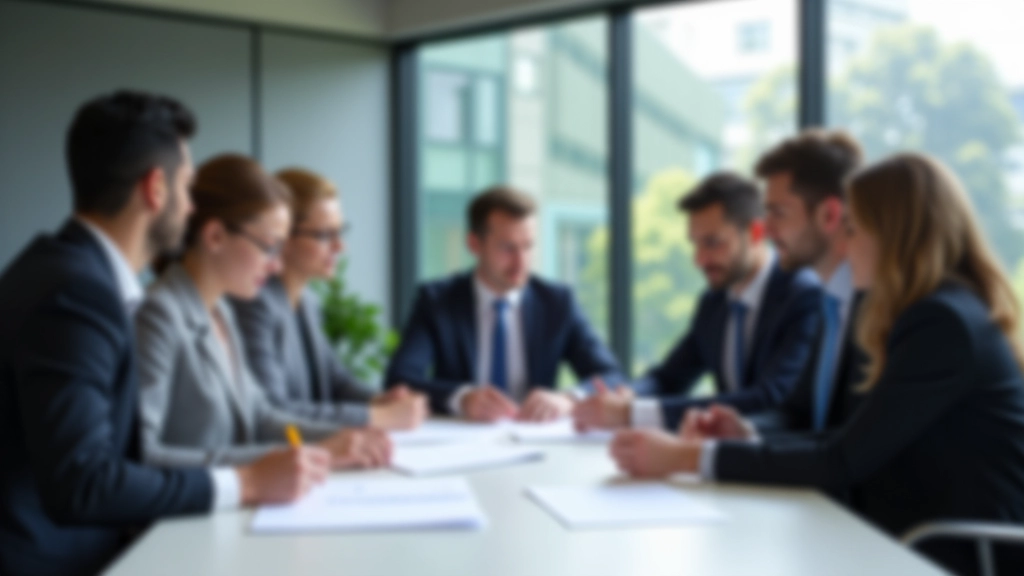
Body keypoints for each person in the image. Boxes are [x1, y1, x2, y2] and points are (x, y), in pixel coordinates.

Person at [610, 153, 1024, 576]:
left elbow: (842, 459)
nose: (843, 245)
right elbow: (850, 437)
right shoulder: (930, 312)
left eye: (854, 229)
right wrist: (745, 437)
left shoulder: (940, 323)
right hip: (903, 537)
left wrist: (688, 457)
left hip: (950, 552)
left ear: (894, 236)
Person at [0, 91, 329, 576]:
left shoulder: (63, 273)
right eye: (187, 187)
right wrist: (247, 483)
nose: (192, 206)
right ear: (156, 188)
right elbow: (82, 482)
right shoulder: (76, 295)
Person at [136, 155, 393, 470]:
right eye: (269, 247)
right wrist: (270, 465)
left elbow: (261, 416)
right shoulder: (159, 314)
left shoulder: (223, 313)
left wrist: (343, 438)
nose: (277, 265)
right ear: (215, 236)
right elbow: (142, 453)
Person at [573, 172, 821, 431]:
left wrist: (635, 413)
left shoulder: (800, 294)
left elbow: (769, 397)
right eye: (696, 244)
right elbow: (668, 378)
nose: (699, 260)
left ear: (756, 232)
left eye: (713, 243)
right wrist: (628, 396)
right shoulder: (714, 303)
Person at [385, 185, 623, 422]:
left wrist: (568, 398)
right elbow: (400, 379)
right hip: (462, 439)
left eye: (528, 246)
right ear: (474, 244)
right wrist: (462, 398)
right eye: (508, 248)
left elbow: (612, 376)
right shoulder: (437, 301)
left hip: (539, 441)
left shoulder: (557, 303)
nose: (521, 262)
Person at [232, 167, 426, 431]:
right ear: (284, 237)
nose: (339, 246)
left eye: (340, 231)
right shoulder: (255, 304)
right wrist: (375, 417)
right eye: (324, 235)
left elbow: (336, 381)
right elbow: (274, 409)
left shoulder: (308, 301)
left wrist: (380, 400)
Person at [746, 129, 866, 434]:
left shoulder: (883, 308)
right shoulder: (827, 301)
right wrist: (742, 431)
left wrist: (703, 456)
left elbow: (847, 446)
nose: (766, 229)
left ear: (829, 214)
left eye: (779, 213)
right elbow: (797, 414)